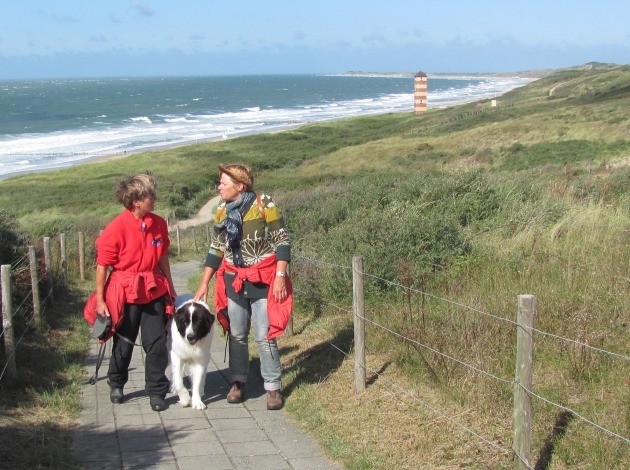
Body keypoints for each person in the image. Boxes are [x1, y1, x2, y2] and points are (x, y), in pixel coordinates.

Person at [194, 163, 292, 410]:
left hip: (263, 279)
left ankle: (272, 388)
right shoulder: (221, 211)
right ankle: (237, 382)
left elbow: (282, 241)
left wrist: (280, 275)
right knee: (237, 334)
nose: (219, 187)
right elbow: (216, 248)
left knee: (264, 335)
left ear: (240, 186)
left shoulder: (264, 204)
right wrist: (205, 281)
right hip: (234, 280)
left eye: (223, 183)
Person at [89, 172, 177, 412]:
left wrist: (171, 287)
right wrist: (100, 300)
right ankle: (116, 384)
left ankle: (157, 391)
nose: (154, 198)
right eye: (150, 195)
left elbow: (163, 257)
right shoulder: (115, 228)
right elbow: (102, 266)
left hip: (153, 288)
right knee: (124, 341)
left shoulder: (158, 224)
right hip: (124, 290)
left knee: (156, 343)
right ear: (136, 201)